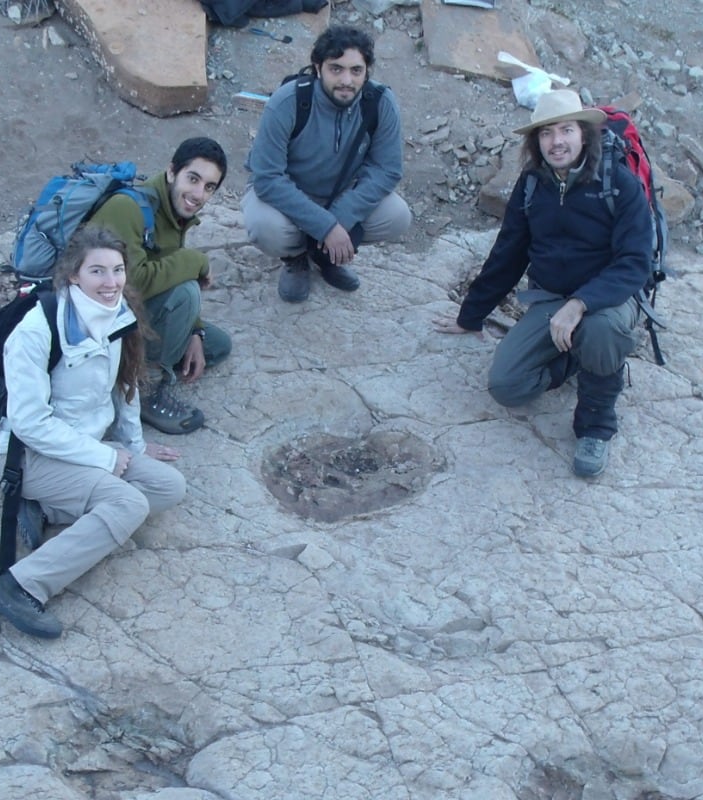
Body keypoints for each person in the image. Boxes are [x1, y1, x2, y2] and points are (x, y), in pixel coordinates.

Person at [431, 89, 652, 479]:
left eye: (566, 130)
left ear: (585, 134)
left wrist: (580, 304)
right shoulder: (533, 185)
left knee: (601, 330)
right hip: (552, 298)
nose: (557, 142)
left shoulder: (619, 184)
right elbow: (509, 253)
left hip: (610, 297)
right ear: (537, 141)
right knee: (507, 386)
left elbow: (636, 262)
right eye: (547, 133)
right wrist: (472, 315)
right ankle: (580, 361)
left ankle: (596, 426)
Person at [0, 226, 186, 639]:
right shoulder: (37, 330)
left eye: (117, 270)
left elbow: (125, 388)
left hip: (80, 448)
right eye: (97, 271)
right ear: (73, 275)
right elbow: (29, 423)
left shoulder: (117, 316)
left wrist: (135, 447)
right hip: (26, 455)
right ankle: (21, 585)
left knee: (168, 487)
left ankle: (44, 510)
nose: (110, 283)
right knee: (128, 505)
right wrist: (106, 458)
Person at [244, 25, 411, 303]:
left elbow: (387, 169)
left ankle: (326, 257)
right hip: (287, 196)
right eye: (336, 69)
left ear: (367, 71)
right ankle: (295, 257)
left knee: (398, 216)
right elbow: (267, 178)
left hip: (341, 194)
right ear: (318, 67)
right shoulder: (288, 101)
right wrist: (327, 226)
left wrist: (343, 216)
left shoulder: (380, 102)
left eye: (356, 70)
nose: (346, 80)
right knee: (265, 227)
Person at [88, 137, 232, 435]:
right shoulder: (127, 208)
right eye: (193, 179)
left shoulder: (172, 211)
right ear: (171, 172)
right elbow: (132, 284)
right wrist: (195, 261)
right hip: (96, 327)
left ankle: (129, 373)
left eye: (209, 187)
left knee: (215, 346)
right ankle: (142, 390)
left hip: (128, 318)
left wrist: (195, 330)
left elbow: (169, 270)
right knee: (186, 293)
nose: (198, 194)